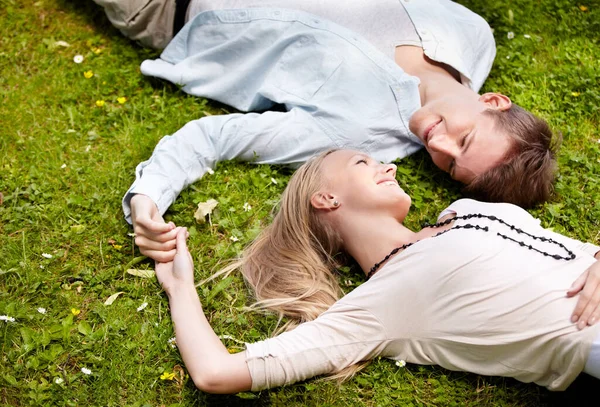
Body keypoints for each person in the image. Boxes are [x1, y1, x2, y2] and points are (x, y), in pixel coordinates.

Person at [104, 1, 558, 261]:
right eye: (464, 139)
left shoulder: (355, 133)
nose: (436, 145)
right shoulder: (472, 33)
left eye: (451, 164)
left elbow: (216, 137)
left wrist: (148, 199)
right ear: (493, 102)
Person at [155, 148, 600, 394]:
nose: (388, 165)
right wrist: (179, 285)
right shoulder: (382, 305)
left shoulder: (464, 210)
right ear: (326, 199)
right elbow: (216, 373)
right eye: (362, 162)